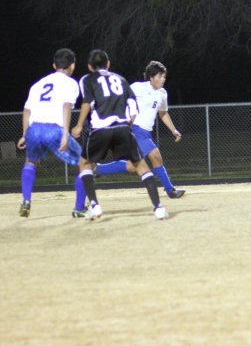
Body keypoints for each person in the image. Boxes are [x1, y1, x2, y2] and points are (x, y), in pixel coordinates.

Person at [70, 49, 168, 220]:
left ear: (89, 66)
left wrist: (78, 125)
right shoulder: (121, 79)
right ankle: (158, 207)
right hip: (122, 128)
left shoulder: (87, 79)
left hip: (100, 129)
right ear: (108, 64)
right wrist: (128, 124)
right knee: (140, 165)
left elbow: (87, 102)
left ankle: (95, 205)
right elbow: (133, 106)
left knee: (84, 163)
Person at [93, 61, 186, 198]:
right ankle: (170, 190)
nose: (163, 79)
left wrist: (174, 130)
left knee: (132, 166)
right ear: (151, 77)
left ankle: (97, 168)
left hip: (146, 132)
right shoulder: (138, 87)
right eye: (160, 76)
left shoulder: (162, 94)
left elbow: (163, 113)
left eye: (164, 77)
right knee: (156, 156)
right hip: (135, 129)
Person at [16, 48, 86, 218]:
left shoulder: (38, 84)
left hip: (34, 129)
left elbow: (26, 110)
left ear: (54, 65)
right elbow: (66, 106)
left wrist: (25, 134)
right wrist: (64, 135)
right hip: (54, 129)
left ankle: (26, 201)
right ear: (72, 66)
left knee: (30, 161)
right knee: (84, 164)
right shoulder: (71, 83)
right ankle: (79, 208)